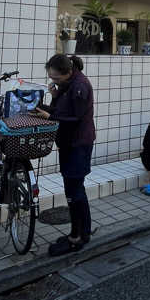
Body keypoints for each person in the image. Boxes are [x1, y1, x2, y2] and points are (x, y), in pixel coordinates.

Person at [34, 54, 96, 257]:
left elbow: (75, 118)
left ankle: (78, 237)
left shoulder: (80, 86)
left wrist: (50, 116)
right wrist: (53, 96)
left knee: (75, 190)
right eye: (52, 78)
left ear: (68, 72)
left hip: (78, 143)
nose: (54, 81)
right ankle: (79, 232)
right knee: (74, 188)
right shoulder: (69, 83)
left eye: (56, 79)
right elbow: (63, 108)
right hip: (70, 143)